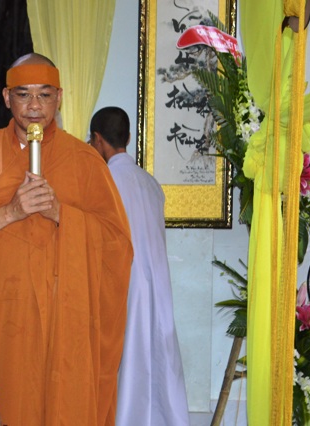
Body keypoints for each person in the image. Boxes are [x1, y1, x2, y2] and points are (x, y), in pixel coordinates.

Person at [0, 53, 133, 425]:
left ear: (60, 98)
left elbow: (117, 245)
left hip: (64, 321)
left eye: (44, 95)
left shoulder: (86, 161)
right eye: (23, 95)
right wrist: (12, 212)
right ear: (6, 98)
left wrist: (61, 214)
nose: (35, 106)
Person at [89, 106, 190, 426]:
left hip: (124, 284)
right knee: (157, 361)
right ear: (129, 137)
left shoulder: (104, 182)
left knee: (128, 363)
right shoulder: (150, 182)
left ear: (97, 140)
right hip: (157, 283)